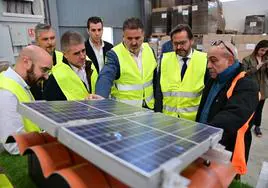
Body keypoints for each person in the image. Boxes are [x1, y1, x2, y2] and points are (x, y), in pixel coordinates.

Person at [196, 41, 259, 175]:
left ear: (230, 61)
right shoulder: (214, 79)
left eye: (213, 61)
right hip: (206, 148)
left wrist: (201, 137)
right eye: (208, 60)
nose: (208, 66)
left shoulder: (246, 85)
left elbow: (230, 119)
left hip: (227, 155)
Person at [0, 45, 53, 154]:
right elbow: (14, 145)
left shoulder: (20, 85)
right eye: (44, 70)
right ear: (26, 62)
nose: (46, 76)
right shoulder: (7, 93)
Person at [96, 17, 157, 109]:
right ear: (123, 37)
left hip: (149, 108)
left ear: (143, 35)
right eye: (129, 38)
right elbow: (106, 76)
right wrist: (100, 96)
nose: (133, 42)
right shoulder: (114, 54)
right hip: (126, 111)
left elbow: (155, 79)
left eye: (137, 38)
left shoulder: (149, 50)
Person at [155, 24, 208, 121]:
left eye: (183, 43)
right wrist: (158, 116)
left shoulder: (204, 60)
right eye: (175, 44)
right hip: (168, 120)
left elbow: (207, 94)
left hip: (193, 122)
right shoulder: (165, 60)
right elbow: (158, 92)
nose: (179, 47)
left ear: (191, 41)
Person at [43, 31, 100, 101]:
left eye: (83, 50)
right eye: (76, 53)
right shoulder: (55, 78)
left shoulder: (90, 64)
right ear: (65, 54)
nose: (82, 56)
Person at [242, 40, 268, 137]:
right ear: (257, 48)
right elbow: (244, 74)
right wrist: (258, 66)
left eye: (265, 51)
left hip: (263, 89)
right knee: (250, 108)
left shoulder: (266, 58)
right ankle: (247, 125)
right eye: (262, 50)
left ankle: (257, 126)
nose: (263, 53)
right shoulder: (247, 59)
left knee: (259, 109)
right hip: (252, 88)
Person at [31, 23, 63, 100]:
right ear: (37, 41)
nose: (50, 42)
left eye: (52, 38)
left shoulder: (63, 58)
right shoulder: (30, 63)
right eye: (45, 39)